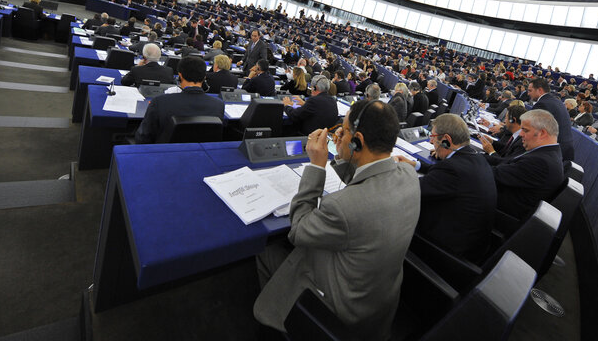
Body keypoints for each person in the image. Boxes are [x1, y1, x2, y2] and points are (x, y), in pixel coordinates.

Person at [253, 100, 420, 338]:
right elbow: (369, 176)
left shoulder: (343, 208)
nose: (338, 135)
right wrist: (344, 154)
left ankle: (277, 328)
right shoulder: (409, 174)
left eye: (343, 130)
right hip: (378, 304)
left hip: (338, 310)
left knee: (267, 251)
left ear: (358, 140)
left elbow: (298, 230)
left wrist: (316, 167)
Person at [395, 114, 496, 262]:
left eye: (433, 136)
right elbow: (443, 174)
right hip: (473, 246)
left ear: (446, 140)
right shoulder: (474, 157)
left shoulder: (452, 170)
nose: (430, 140)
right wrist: (415, 164)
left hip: (446, 254)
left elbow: (411, 190)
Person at [490, 109, 565, 219]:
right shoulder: (548, 153)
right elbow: (505, 163)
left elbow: (495, 174)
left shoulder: (541, 162)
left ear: (542, 133)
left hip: (499, 212)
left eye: (525, 130)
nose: (520, 134)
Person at [134, 57, 224, 144]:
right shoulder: (218, 104)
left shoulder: (159, 102)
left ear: (180, 75)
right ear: (204, 77)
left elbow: (142, 138)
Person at [528, 78, 575, 162]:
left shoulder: (542, 104)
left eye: (530, 90)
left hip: (552, 152)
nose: (528, 93)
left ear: (539, 90)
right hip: (565, 150)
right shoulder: (556, 101)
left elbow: (531, 129)